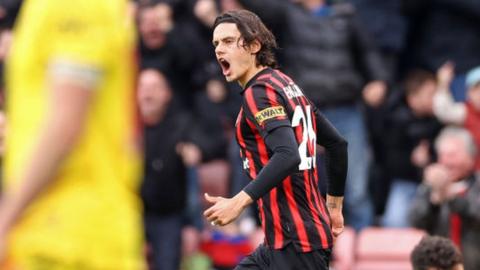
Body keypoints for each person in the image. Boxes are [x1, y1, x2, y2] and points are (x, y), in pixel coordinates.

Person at [0, 1, 145, 269]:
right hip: (48, 233)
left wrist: (5, 218)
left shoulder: (74, 4)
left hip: (72, 241)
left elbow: (65, 127)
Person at [204, 10, 348, 270]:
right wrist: (334, 207)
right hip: (281, 242)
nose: (219, 50)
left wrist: (237, 202)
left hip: (297, 243)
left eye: (227, 41)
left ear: (254, 45)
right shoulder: (284, 84)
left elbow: (287, 154)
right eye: (216, 43)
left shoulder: (257, 93)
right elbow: (338, 144)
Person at [238, 0, 387, 231]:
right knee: (299, 181)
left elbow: (367, 50)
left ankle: (360, 248)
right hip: (304, 109)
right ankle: (302, 244)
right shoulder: (288, 14)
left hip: (346, 108)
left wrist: (378, 79)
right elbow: (259, 7)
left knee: (355, 188)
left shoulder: (346, 14)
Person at [409, 127, 480, 270]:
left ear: (471, 156)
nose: (446, 162)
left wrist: (452, 198)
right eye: (442, 155)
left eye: (452, 155)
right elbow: (416, 221)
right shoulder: (430, 187)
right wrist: (433, 201)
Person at [434, 63, 480, 170]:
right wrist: (443, 84)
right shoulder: (465, 111)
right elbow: (443, 110)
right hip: (474, 174)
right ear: (468, 93)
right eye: (476, 90)